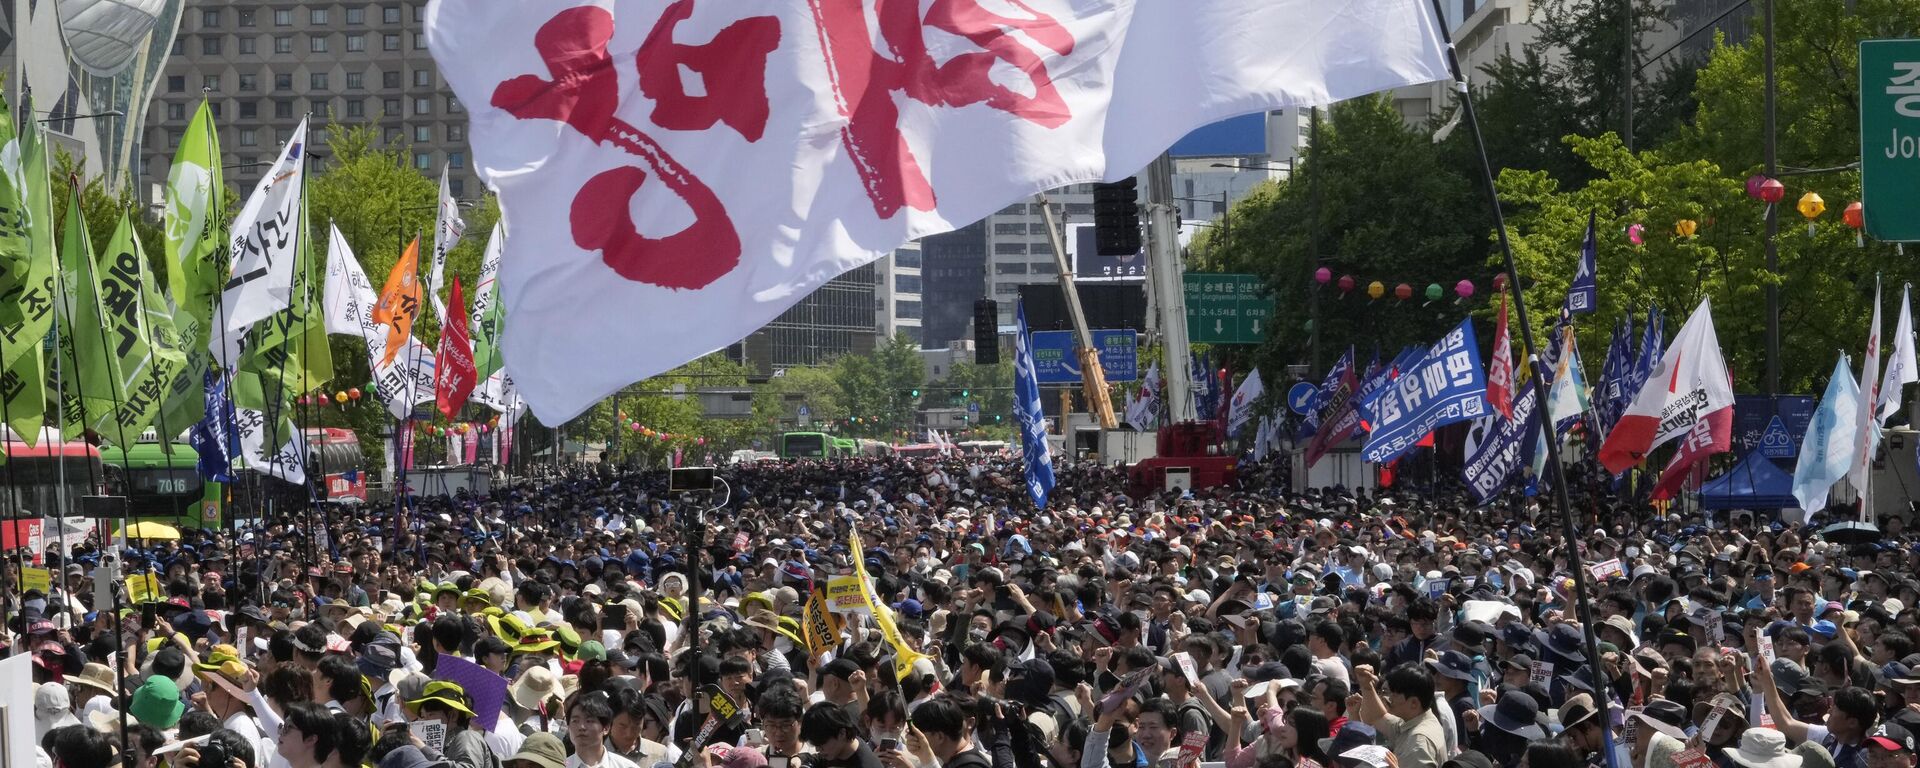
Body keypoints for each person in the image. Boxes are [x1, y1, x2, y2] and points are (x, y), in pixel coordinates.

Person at [1353, 664, 1447, 768]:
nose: (1389, 698)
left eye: (1394, 694)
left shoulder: (1418, 743)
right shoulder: (1416, 720)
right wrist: (1366, 685)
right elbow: (1376, 717)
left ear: (1414, 703)